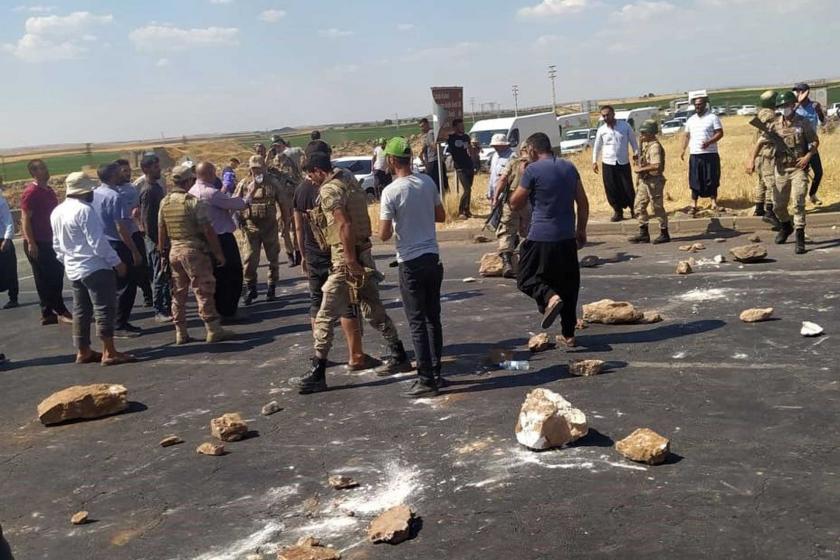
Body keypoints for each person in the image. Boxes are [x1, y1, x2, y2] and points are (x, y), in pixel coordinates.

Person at [296, 152, 410, 394]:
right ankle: (398, 352)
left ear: (318, 170)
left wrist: (348, 260)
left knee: (326, 313)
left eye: (310, 175)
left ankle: (318, 370)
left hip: (345, 261)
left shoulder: (328, 190)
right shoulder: (348, 178)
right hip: (363, 253)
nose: (310, 180)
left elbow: (343, 224)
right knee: (372, 307)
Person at [294, 146, 376, 371]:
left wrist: (302, 254)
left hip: (314, 254)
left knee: (317, 307)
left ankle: (320, 357)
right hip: (338, 254)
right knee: (348, 305)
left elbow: (299, 226)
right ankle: (354, 354)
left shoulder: (301, 190)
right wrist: (351, 257)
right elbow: (346, 222)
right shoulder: (340, 184)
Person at [379, 137, 447, 397]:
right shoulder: (427, 182)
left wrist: (398, 222)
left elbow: (384, 234)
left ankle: (425, 378)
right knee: (433, 319)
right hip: (432, 257)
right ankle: (437, 372)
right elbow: (440, 216)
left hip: (410, 261)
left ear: (393, 160)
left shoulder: (390, 192)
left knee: (416, 321)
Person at [509, 132, 588, 346]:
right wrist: (581, 230)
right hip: (566, 237)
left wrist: (521, 173)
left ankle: (549, 297)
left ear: (533, 150)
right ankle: (569, 334)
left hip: (541, 236)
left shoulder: (532, 170)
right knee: (569, 285)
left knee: (525, 277)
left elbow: (515, 203)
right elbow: (583, 202)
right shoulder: (569, 167)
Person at [50, 172, 136, 366]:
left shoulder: (57, 211)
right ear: (84, 191)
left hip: (74, 268)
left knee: (81, 311)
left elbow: (57, 245)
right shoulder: (84, 210)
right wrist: (117, 262)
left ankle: (83, 350)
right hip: (95, 267)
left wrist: (68, 262)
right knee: (104, 308)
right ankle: (109, 351)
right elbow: (98, 242)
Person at [159, 164, 233, 344]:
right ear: (188, 181)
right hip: (193, 251)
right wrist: (218, 253)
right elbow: (208, 230)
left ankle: (181, 332)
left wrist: (162, 253)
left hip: (174, 251)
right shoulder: (192, 202)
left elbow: (161, 229)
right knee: (203, 290)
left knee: (178, 292)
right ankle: (213, 329)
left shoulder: (165, 202)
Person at [189, 161, 249, 318]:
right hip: (221, 238)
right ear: (209, 174)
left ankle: (218, 309)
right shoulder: (210, 192)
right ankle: (228, 311)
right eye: (213, 173)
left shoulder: (192, 191)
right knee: (231, 274)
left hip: (203, 239)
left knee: (214, 275)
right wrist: (249, 195)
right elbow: (237, 204)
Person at [93, 163, 143, 337]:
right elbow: (121, 228)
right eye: (119, 172)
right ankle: (119, 324)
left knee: (114, 287)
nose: (123, 174)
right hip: (118, 244)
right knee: (127, 286)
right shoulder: (116, 196)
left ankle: (116, 322)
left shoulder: (95, 193)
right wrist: (134, 250)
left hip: (104, 243)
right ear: (113, 175)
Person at [766, 91, 819, 254]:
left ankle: (800, 236)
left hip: (798, 169)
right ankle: (786, 226)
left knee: (798, 202)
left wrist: (807, 157)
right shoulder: (774, 125)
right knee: (778, 206)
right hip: (781, 169)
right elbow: (764, 141)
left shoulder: (802, 123)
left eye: (786, 105)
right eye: (780, 106)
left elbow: (815, 142)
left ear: (793, 105)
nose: (784, 109)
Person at [20, 159, 72, 325]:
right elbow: (25, 219)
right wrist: (31, 242)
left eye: (45, 167)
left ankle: (48, 312)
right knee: (46, 277)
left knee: (55, 274)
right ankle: (59, 309)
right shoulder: (31, 192)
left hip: (51, 239)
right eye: (41, 169)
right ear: (33, 173)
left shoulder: (49, 191)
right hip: (38, 241)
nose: (45, 170)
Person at [234, 156, 285, 304]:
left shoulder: (273, 183)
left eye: (259, 167)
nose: (256, 170)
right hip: (251, 228)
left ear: (264, 167)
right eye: (253, 168)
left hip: (270, 227)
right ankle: (251, 288)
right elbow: (236, 202)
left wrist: (285, 221)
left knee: (273, 258)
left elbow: (283, 203)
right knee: (249, 259)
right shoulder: (244, 184)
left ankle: (271, 287)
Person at [135, 154, 172, 323]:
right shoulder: (149, 191)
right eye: (156, 167)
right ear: (146, 169)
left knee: (165, 274)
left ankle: (167, 305)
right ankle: (159, 310)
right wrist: (159, 243)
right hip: (156, 240)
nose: (159, 170)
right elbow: (149, 221)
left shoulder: (156, 187)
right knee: (159, 274)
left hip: (161, 238)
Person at [115, 158, 153, 308]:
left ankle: (147, 294)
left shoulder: (131, 188)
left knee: (140, 265)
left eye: (129, 170)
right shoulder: (112, 192)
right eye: (125, 171)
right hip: (119, 236)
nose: (128, 173)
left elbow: (137, 209)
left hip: (133, 232)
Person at [492, 143, 532, 278]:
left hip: (511, 201)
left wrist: (495, 198)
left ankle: (507, 262)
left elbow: (502, 180)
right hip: (528, 202)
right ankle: (527, 261)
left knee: (507, 231)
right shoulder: (535, 164)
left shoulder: (513, 163)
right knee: (528, 232)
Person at [680, 92, 724, 216]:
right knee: (695, 179)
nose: (698, 106)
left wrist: (709, 142)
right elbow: (687, 135)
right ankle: (694, 204)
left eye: (700, 104)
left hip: (710, 153)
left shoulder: (713, 117)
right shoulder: (691, 120)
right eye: (696, 104)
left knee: (712, 178)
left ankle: (714, 202)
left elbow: (720, 133)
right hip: (695, 154)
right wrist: (683, 149)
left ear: (705, 104)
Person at [592, 106, 638, 222]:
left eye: (608, 115)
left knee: (627, 186)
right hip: (608, 162)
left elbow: (633, 141)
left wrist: (636, 154)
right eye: (604, 116)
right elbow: (597, 146)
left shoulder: (625, 126)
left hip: (623, 161)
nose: (606, 117)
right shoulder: (602, 130)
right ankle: (618, 211)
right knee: (611, 187)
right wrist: (594, 161)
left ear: (613, 114)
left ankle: (634, 209)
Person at [628, 120, 670, 244]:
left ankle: (664, 232)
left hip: (654, 180)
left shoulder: (654, 146)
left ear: (651, 133)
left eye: (644, 132)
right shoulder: (645, 145)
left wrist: (641, 169)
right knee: (638, 206)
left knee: (657, 207)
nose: (641, 135)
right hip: (645, 180)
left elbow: (656, 165)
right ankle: (643, 233)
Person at [746, 91, 781, 227]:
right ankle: (769, 212)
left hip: (762, 154)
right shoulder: (769, 114)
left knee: (762, 182)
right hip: (767, 153)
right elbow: (768, 132)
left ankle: (759, 207)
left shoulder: (762, 113)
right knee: (771, 182)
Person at [267, 139, 302, 267]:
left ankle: (298, 252)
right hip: (281, 202)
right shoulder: (272, 165)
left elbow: (297, 176)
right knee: (284, 228)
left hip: (293, 199)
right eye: (274, 147)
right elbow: (264, 170)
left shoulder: (291, 160)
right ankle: (289, 253)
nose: (277, 149)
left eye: (278, 146)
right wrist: (268, 157)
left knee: (296, 226)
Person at [792, 83, 826, 205]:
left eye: (800, 91)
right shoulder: (794, 106)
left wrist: (820, 112)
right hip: (799, 147)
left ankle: (812, 195)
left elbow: (823, 120)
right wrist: (797, 105)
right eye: (796, 91)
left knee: (819, 173)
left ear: (807, 92)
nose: (798, 93)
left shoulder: (814, 105)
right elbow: (788, 119)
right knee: (802, 175)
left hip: (812, 145)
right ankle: (799, 202)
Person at [447, 118, 475, 219]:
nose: (462, 127)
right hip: (460, 167)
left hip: (469, 165)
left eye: (463, 126)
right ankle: (460, 211)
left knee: (469, 189)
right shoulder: (451, 138)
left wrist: (473, 160)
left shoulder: (466, 137)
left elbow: (470, 150)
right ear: (455, 127)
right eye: (460, 126)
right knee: (466, 189)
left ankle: (467, 210)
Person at [0, 181, 18, 309]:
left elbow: (8, 221)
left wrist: (6, 239)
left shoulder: (1, 201)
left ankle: (13, 298)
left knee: (10, 270)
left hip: (2, 239)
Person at [419, 118, 448, 192]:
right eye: (420, 127)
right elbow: (423, 151)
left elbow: (433, 146)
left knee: (436, 183)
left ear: (427, 124)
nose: (421, 128)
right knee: (441, 182)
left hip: (434, 161)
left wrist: (439, 154)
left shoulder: (430, 133)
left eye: (423, 126)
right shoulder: (428, 134)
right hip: (433, 160)